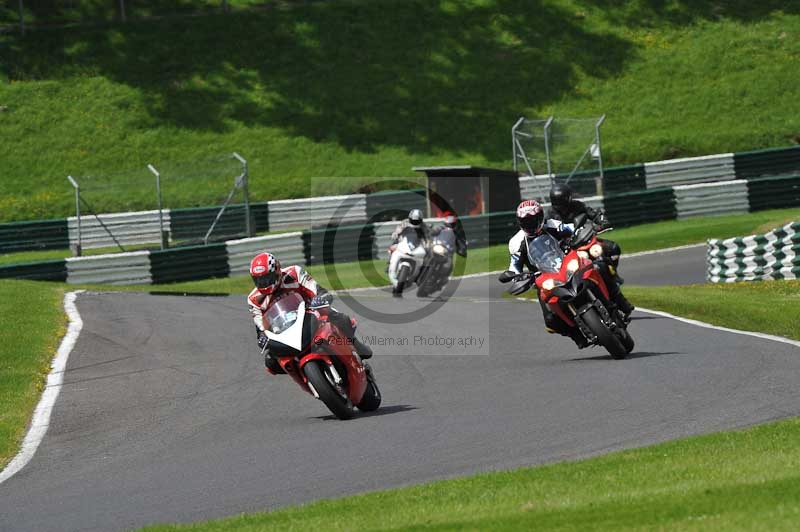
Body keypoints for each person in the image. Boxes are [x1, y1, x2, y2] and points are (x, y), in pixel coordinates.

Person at [498, 200, 630, 349]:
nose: (529, 224)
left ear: (540, 217)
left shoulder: (552, 225)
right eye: (525, 221)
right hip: (543, 276)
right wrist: (516, 275)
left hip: (566, 263)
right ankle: (577, 336)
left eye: (532, 220)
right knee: (550, 320)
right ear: (519, 222)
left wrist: (582, 236)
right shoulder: (516, 242)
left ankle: (612, 306)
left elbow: (574, 231)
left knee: (596, 270)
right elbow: (514, 266)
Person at [247, 252, 372, 375]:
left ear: (277, 271)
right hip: (283, 329)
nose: (264, 283)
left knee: (339, 319)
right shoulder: (253, 299)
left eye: (267, 278)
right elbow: (260, 324)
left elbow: (316, 289)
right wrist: (262, 337)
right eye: (259, 280)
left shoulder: (294, 273)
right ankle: (301, 372)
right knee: (271, 363)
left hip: (310, 312)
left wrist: (321, 297)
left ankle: (356, 346)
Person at [387, 208, 431, 297]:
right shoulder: (405, 223)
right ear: (410, 218)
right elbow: (397, 232)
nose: (415, 222)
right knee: (392, 249)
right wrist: (395, 235)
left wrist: (428, 246)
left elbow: (428, 238)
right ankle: (389, 265)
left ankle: (422, 282)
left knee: (428, 260)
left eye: (417, 221)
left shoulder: (423, 226)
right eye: (413, 220)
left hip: (417, 247)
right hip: (403, 242)